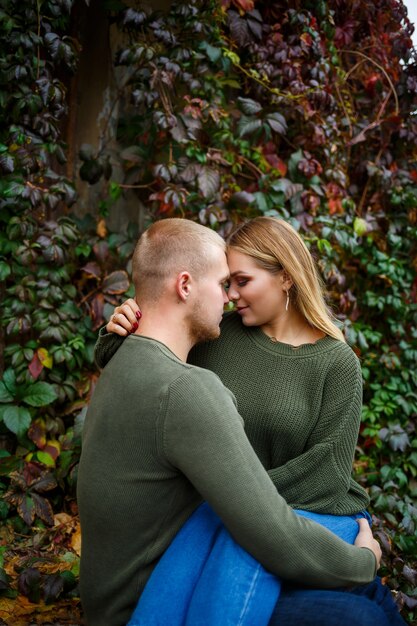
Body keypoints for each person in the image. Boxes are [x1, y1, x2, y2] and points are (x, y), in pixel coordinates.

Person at [97, 216, 406, 625]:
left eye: (242, 281)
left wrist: (238, 495)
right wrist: (119, 330)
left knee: (375, 599)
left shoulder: (337, 363)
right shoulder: (216, 332)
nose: (231, 295)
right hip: (236, 528)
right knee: (362, 611)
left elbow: (327, 473)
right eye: (226, 283)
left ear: (285, 278)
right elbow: (148, 375)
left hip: (298, 514)